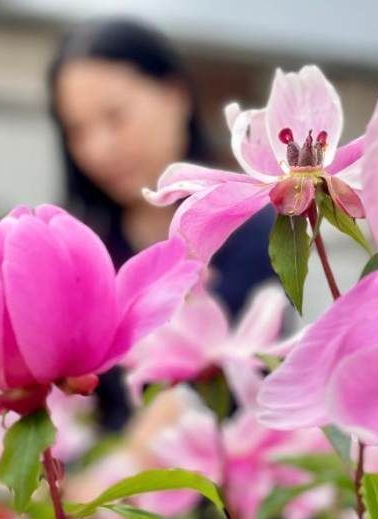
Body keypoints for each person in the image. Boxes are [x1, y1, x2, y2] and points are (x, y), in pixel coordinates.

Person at [48, 18, 275, 430]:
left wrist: (107, 482)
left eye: (115, 118)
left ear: (175, 95)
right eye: (77, 130)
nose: (98, 149)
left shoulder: (247, 228)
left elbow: (191, 398)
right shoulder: (86, 248)